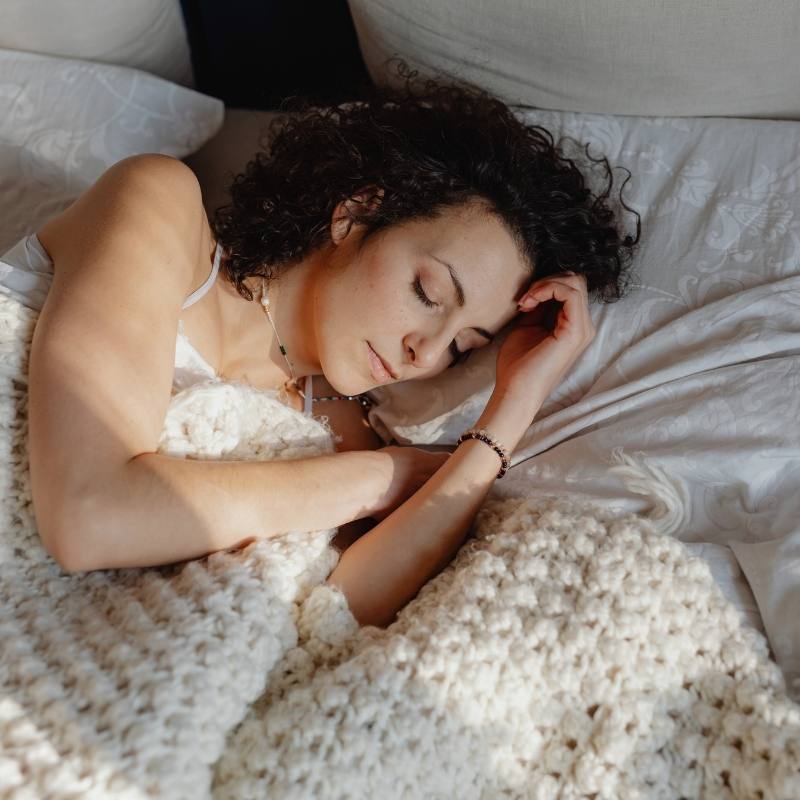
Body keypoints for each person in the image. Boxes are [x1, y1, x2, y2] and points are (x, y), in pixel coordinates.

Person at [2, 71, 638, 627]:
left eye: (464, 344)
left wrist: (513, 402)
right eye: (426, 292)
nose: (425, 352)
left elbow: (344, 613)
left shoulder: (336, 424)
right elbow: (88, 518)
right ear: (355, 214)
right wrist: (386, 476)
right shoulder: (158, 202)